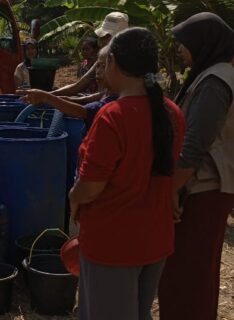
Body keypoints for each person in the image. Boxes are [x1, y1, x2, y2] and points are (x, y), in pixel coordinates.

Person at [69, 28, 185, 320]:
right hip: (154, 239)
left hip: (113, 243)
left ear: (115, 63)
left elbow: (91, 187)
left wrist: (73, 196)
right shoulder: (171, 112)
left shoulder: (113, 117)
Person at [157, 12, 234, 320]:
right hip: (198, 186)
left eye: (184, 43)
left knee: (190, 273)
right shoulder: (212, 74)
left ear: (204, 43)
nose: (180, 50)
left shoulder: (216, 81)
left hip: (203, 189)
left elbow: (194, 146)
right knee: (192, 272)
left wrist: (171, 190)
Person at [19, 46, 117, 131]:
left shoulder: (116, 100)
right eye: (98, 66)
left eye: (104, 66)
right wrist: (66, 99)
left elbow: (83, 112)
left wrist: (48, 97)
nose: (98, 71)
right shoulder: (109, 93)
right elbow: (97, 95)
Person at [52, 12, 129, 101]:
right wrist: (49, 95)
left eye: (107, 36)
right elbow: (79, 85)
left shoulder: (128, 62)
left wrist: (74, 100)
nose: (103, 41)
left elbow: (109, 95)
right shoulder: (103, 59)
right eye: (102, 37)